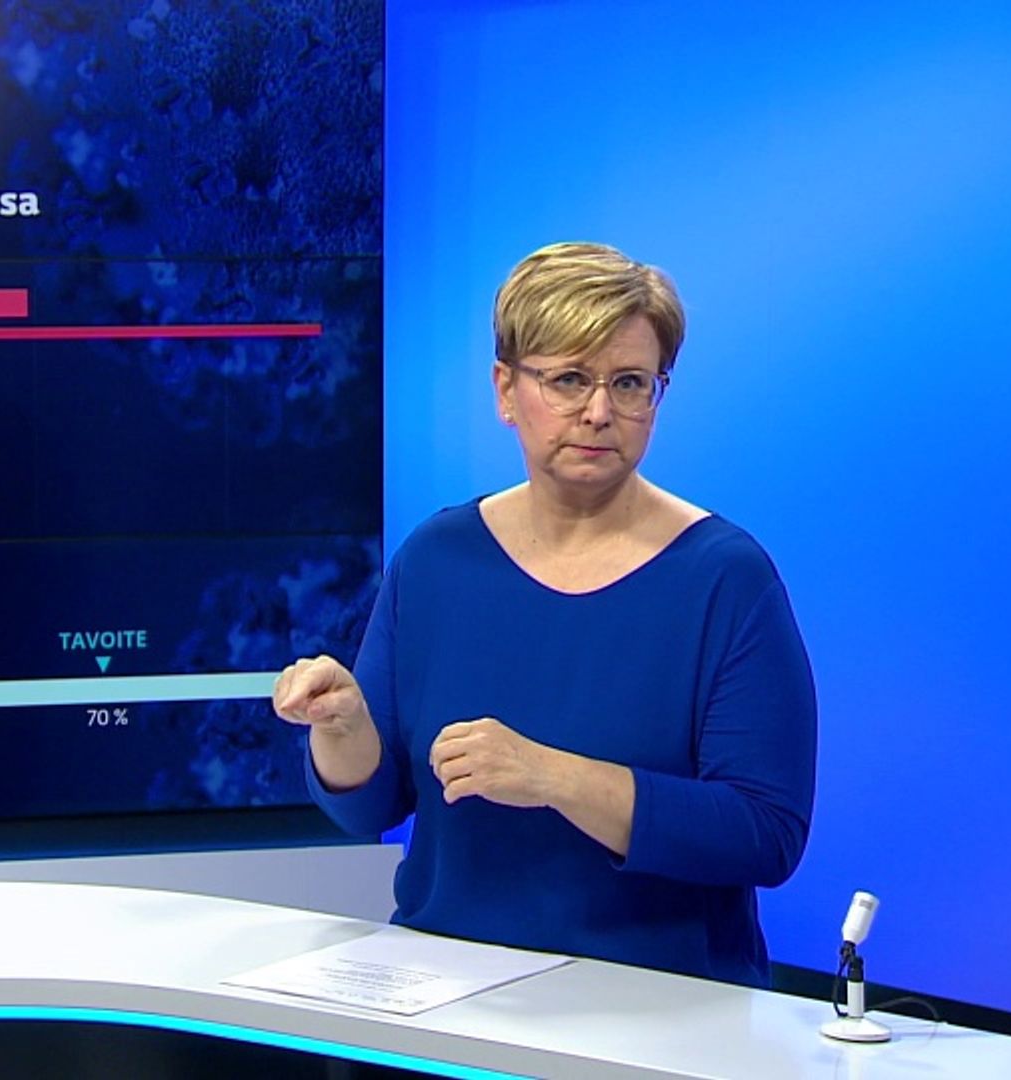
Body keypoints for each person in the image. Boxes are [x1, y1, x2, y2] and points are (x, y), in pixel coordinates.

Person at [273, 242, 816, 988]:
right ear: (505, 389)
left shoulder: (725, 578)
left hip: (661, 1009)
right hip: (446, 996)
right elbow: (370, 808)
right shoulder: (437, 558)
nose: (599, 412)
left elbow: (765, 833)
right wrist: (343, 729)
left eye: (630, 383)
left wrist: (555, 777)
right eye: (568, 380)